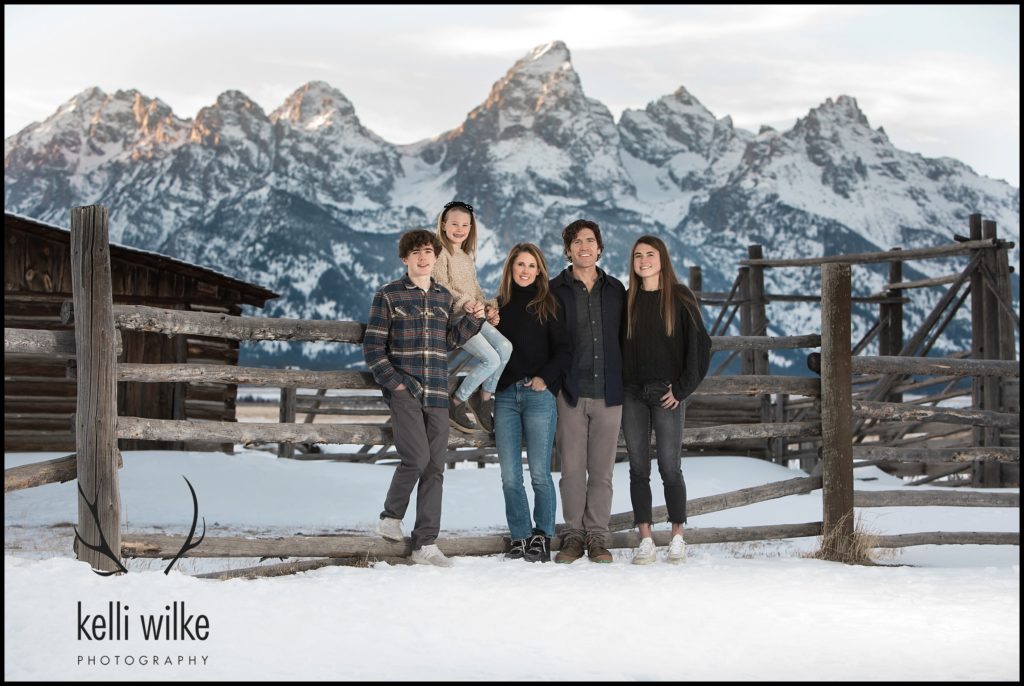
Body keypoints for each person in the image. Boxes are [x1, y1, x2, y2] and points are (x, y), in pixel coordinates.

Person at [363, 229, 486, 567]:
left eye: (428, 251)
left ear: (435, 257)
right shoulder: (388, 296)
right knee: (416, 458)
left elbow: (447, 341)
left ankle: (425, 544)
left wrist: (473, 322)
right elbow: (373, 348)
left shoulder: (443, 297)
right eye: (415, 252)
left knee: (435, 468)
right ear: (405, 259)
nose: (423, 257)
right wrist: (396, 385)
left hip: (437, 392)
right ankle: (390, 518)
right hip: (406, 392)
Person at [622, 235, 711, 565]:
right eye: (638, 256)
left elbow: (701, 345)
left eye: (650, 254)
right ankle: (645, 538)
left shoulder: (680, 297)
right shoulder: (628, 299)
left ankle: (677, 536)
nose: (644, 260)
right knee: (637, 466)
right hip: (632, 392)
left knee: (670, 466)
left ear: (662, 259)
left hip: (666, 393)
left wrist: (683, 388)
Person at [549, 219, 626, 564]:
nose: (584, 246)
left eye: (590, 240)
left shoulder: (616, 291)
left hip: (610, 392)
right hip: (570, 392)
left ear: (600, 248)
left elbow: (628, 338)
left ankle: (597, 537)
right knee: (572, 471)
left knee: (602, 471)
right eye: (577, 241)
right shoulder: (554, 290)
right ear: (568, 250)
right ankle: (573, 536)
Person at [493, 243, 572, 563]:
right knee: (510, 474)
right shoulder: (498, 306)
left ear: (540, 270)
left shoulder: (549, 305)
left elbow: (565, 350)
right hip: (506, 396)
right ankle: (520, 535)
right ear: (510, 269)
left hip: (539, 396)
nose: (525, 270)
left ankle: (542, 534)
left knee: (540, 472)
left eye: (531, 265)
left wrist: (545, 379)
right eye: (519, 265)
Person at [431, 201, 512, 434]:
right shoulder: (440, 252)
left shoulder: (466, 258)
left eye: (465, 224)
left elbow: (475, 291)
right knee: (491, 359)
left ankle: (484, 398)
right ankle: (456, 402)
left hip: (474, 316)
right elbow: (440, 287)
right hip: (455, 319)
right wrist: (465, 303)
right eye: (454, 223)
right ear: (444, 225)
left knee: (505, 347)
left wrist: (488, 308)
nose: (460, 229)